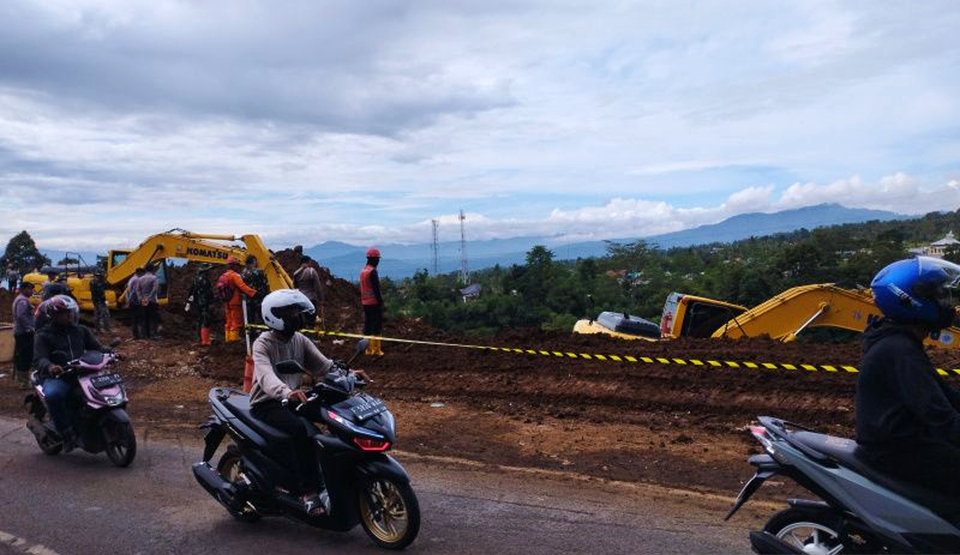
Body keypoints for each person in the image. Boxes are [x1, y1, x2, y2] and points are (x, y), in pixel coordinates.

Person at [856, 256, 960, 498]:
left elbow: (946, 396)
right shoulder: (900, 351)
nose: (947, 303)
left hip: (903, 442)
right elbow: (939, 416)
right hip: (896, 451)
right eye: (938, 296)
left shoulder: (899, 342)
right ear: (909, 300)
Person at [250, 289, 334, 515]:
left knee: (331, 419)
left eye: (297, 311)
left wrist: (347, 374)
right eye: (290, 312)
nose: (296, 316)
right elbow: (266, 377)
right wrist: (286, 392)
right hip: (267, 402)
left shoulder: (300, 340)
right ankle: (308, 492)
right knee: (301, 431)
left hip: (293, 398)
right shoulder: (262, 344)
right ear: (274, 316)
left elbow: (323, 366)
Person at [32, 295, 108, 451]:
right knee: (53, 395)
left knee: (104, 389)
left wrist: (112, 353)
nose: (70, 315)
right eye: (65, 313)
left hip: (82, 373)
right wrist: (51, 367)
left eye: (71, 312)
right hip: (59, 376)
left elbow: (97, 348)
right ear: (54, 315)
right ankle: (66, 433)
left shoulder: (81, 330)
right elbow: (39, 359)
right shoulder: (44, 335)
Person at [220, 256, 256, 343]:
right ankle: (234, 340)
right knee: (235, 322)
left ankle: (228, 339)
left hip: (226, 301)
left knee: (228, 321)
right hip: (235, 302)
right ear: (234, 265)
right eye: (237, 265)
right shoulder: (235, 275)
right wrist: (254, 293)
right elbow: (243, 287)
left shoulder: (223, 275)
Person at [359, 248, 384, 356]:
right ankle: (376, 350)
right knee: (376, 325)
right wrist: (381, 303)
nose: (378, 261)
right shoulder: (372, 271)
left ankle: (367, 349)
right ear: (374, 259)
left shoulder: (363, 271)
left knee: (368, 325)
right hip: (374, 302)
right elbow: (376, 289)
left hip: (365, 302)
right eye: (377, 259)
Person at [12, 281, 36, 389]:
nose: (32, 291)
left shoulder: (21, 299)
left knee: (23, 356)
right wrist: (28, 328)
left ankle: (23, 380)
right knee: (24, 356)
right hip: (23, 333)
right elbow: (21, 316)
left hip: (21, 332)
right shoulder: (22, 301)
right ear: (24, 289)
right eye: (30, 289)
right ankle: (24, 382)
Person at [187, 264, 216, 345]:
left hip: (197, 303)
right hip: (204, 303)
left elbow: (191, 291)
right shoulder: (205, 280)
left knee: (199, 320)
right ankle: (205, 340)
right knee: (205, 320)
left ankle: (199, 338)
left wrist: (189, 302)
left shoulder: (196, 279)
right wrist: (212, 302)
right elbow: (208, 293)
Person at [293, 256, 324, 325]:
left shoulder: (296, 273)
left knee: (303, 319)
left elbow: (295, 287)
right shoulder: (311, 271)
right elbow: (318, 286)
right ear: (308, 262)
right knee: (312, 319)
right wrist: (321, 299)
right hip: (311, 299)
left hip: (300, 299)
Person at [242, 255, 269, 324]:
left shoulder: (242, 274)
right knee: (263, 319)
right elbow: (266, 286)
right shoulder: (260, 272)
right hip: (259, 300)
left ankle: (251, 334)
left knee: (250, 321)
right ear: (254, 261)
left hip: (248, 301)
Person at [137, 263, 160, 339]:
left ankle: (145, 335)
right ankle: (153, 335)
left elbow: (138, 290)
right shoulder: (154, 278)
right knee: (153, 318)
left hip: (143, 301)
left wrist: (141, 299)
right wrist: (149, 298)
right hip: (152, 301)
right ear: (152, 269)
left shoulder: (140, 279)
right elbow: (155, 289)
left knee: (145, 318)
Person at [124, 268, 144, 339]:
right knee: (138, 319)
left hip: (132, 301)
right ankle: (138, 335)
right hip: (135, 302)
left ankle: (136, 335)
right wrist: (129, 301)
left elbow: (127, 291)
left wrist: (128, 300)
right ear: (140, 272)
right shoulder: (137, 280)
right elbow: (134, 292)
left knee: (135, 318)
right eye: (142, 273)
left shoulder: (132, 279)